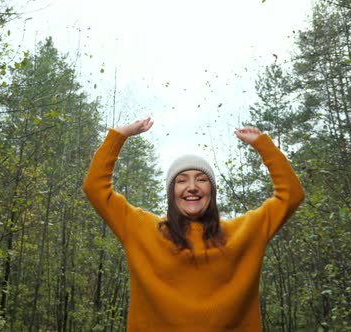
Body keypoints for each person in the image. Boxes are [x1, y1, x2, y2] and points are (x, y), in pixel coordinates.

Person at [83, 117, 304, 331]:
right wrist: (119, 136)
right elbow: (95, 188)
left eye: (201, 179)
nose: (192, 187)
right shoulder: (141, 228)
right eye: (181, 180)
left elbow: (291, 195)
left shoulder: (245, 231)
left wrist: (264, 146)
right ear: (171, 193)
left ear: (212, 191)